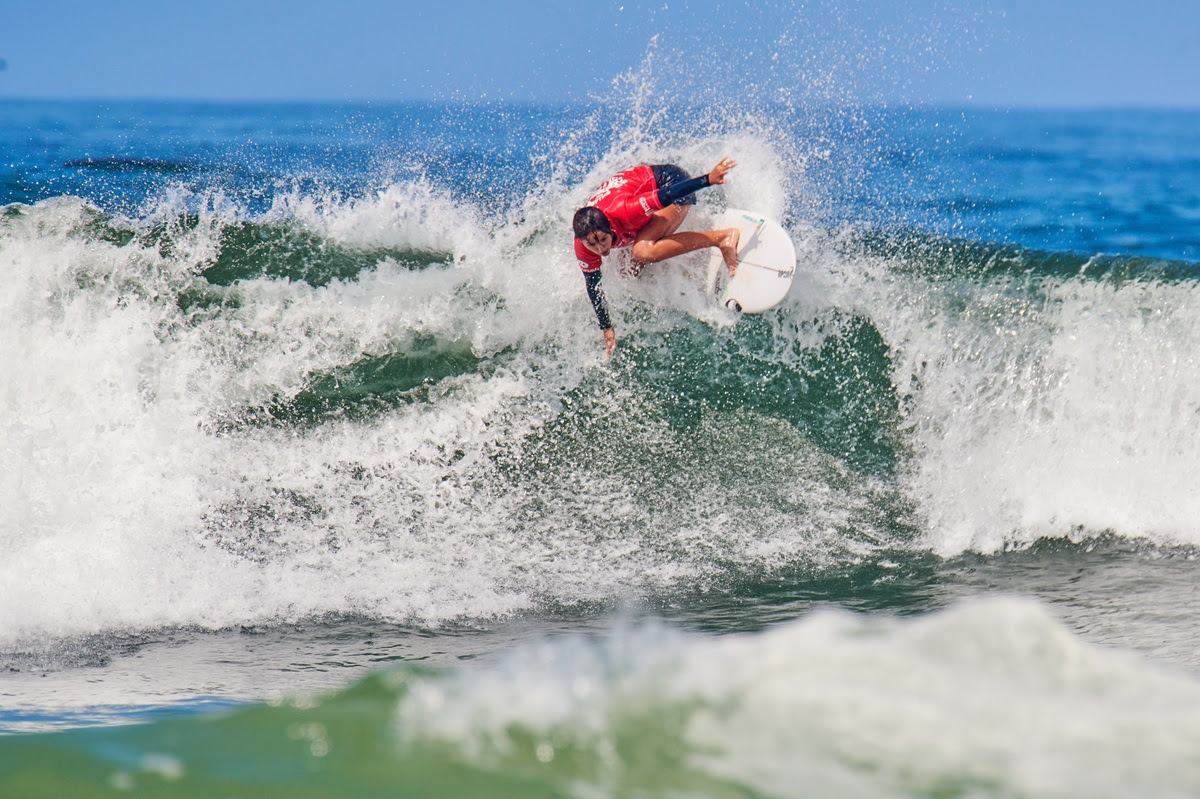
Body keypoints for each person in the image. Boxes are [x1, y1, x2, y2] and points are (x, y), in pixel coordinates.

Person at [572, 158, 739, 359]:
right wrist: (606, 327)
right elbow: (593, 285)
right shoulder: (584, 244)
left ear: (610, 227)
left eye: (603, 239)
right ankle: (675, 253)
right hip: (639, 193)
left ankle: (721, 238)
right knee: (627, 271)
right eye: (592, 245)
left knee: (643, 251)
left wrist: (707, 180)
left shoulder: (626, 211)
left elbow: (668, 195)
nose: (600, 248)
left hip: (670, 183)